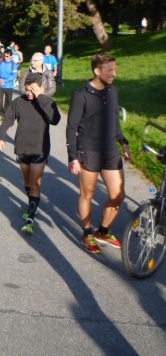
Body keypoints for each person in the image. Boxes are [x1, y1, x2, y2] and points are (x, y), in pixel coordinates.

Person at [66, 53, 131, 254]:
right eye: (110, 70)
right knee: (88, 193)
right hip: (88, 149)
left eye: (115, 69)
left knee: (118, 195)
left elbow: (114, 119)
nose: (114, 74)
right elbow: (71, 127)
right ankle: (87, 233)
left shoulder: (112, 91)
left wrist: (123, 141)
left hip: (110, 149)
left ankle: (103, 231)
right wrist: (72, 157)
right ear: (97, 70)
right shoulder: (81, 94)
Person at [0, 73, 61, 234]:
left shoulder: (47, 102)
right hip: (22, 147)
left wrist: (41, 98)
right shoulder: (19, 102)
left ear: (41, 88)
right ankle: (33, 205)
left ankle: (30, 220)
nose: (29, 93)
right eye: (27, 89)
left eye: (33, 90)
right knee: (27, 181)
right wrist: (1, 137)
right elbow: (8, 119)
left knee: (35, 183)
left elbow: (55, 120)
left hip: (40, 149)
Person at [0, 49, 17, 122]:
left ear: (11, 56)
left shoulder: (13, 64)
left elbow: (14, 75)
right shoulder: (0, 62)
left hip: (9, 86)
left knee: (8, 102)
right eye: (4, 56)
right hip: (0, 85)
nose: (5, 57)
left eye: (7, 56)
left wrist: (5, 81)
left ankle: (4, 114)